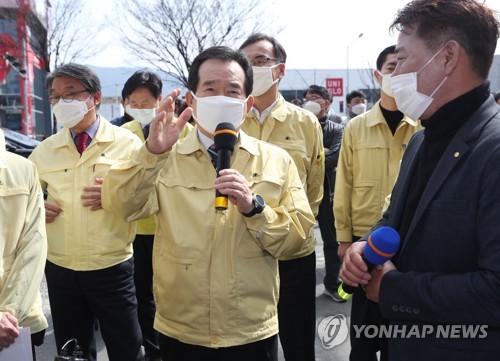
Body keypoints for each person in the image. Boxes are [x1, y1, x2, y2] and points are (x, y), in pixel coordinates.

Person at [101, 46, 316, 361]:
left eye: (232, 91)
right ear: (191, 100)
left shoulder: (276, 160)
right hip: (182, 329)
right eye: (210, 89)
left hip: (251, 329)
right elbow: (122, 207)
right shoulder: (163, 156)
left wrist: (255, 209)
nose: (221, 98)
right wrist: (151, 155)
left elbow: (300, 240)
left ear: (247, 103)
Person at [341, 1, 500, 361]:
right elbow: (397, 220)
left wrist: (395, 289)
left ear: (447, 57)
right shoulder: (422, 139)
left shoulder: (493, 149)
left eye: (402, 61)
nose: (394, 76)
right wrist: (363, 248)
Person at [28, 63, 144, 361]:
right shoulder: (45, 150)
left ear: (94, 97)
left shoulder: (127, 144)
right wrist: (37, 207)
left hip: (111, 266)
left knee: (126, 348)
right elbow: (23, 200)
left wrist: (114, 196)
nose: (60, 103)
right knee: (72, 351)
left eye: (70, 93)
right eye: (55, 97)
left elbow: (145, 201)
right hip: (61, 267)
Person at [239, 34, 324, 361]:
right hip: (240, 252)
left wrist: (296, 229)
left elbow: (314, 187)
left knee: (298, 343)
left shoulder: (305, 122)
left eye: (260, 60)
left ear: (279, 70)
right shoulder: (229, 120)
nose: (252, 67)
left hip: (293, 255)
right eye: (246, 61)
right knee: (250, 347)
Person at [334, 44, 422, 360]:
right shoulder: (356, 127)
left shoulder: (424, 125)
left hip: (409, 239)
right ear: (378, 75)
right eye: (390, 68)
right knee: (364, 333)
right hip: (364, 243)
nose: (397, 74)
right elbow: (342, 184)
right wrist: (344, 238)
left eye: (404, 67)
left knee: (400, 332)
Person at [117, 70, 191, 361]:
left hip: (173, 226)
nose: (139, 107)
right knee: (142, 296)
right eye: (133, 102)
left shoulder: (183, 131)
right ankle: (154, 351)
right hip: (136, 228)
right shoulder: (122, 134)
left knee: (173, 291)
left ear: (160, 100)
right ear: (125, 103)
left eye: (146, 101)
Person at [0, 149, 48, 361]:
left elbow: (33, 247)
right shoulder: (24, 169)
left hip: (14, 324)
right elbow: (33, 247)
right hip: (17, 321)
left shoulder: (25, 170)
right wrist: (9, 315)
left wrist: (6, 316)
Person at [303, 85, 345, 302]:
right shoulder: (298, 127)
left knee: (332, 241)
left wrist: (312, 157)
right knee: (298, 239)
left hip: (327, 191)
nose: (309, 101)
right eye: (307, 98)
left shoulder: (336, 129)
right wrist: (321, 153)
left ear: (327, 103)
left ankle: (331, 283)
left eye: (315, 98)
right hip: (300, 191)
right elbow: (290, 159)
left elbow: (332, 159)